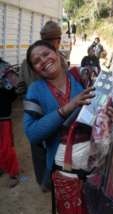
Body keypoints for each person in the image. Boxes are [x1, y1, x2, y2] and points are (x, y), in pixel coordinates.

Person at [23, 40, 113, 214]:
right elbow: (32, 133)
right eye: (36, 61)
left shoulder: (85, 76)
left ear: (57, 53)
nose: (43, 61)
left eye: (46, 54)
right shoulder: (35, 91)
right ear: (35, 69)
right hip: (68, 177)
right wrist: (68, 107)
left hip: (103, 169)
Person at [17, 21, 64, 192]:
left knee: (39, 148)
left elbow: (20, 86)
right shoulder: (59, 59)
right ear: (58, 40)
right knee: (54, 146)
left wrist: (28, 102)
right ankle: (52, 181)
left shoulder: (27, 61)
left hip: (40, 115)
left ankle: (44, 183)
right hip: (56, 115)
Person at [0, 58, 20, 188]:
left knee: (6, 145)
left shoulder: (5, 68)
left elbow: (15, 89)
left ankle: (13, 172)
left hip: (2, 113)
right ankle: (2, 166)